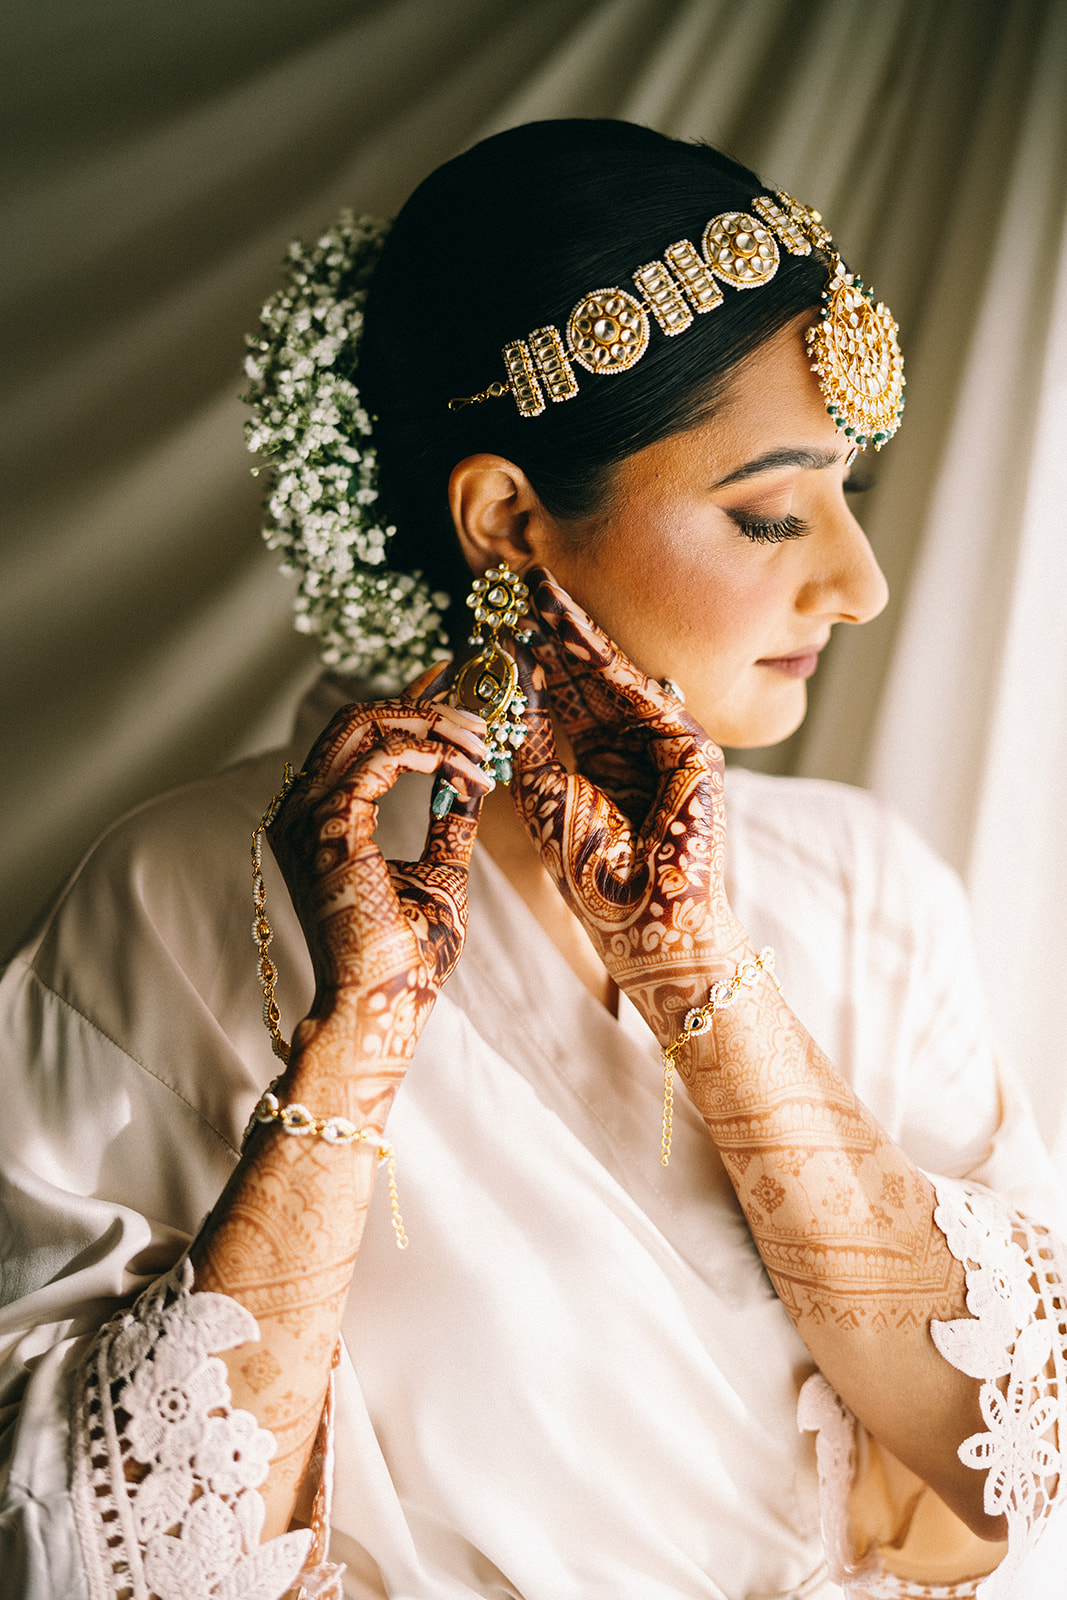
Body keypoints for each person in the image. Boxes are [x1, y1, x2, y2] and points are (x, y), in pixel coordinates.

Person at [0, 119, 1063, 1600]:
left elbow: (1015, 1452)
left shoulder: (870, 891)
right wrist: (354, 1045)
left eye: (849, 496)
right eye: (769, 512)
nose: (860, 583)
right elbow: (83, 1556)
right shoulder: (177, 904)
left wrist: (695, 971)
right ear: (508, 521)